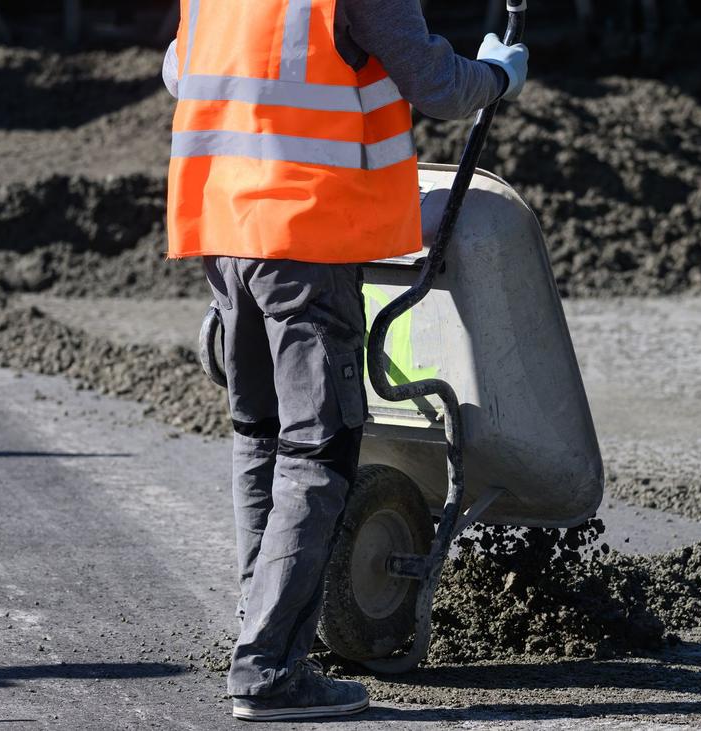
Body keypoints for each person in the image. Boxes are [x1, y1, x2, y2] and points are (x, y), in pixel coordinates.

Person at [162, 0, 527, 722]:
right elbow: (435, 84)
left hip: (226, 225)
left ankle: (259, 620)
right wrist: (497, 75)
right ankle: (267, 668)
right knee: (318, 451)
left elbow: (181, 71)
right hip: (306, 232)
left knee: (260, 434)